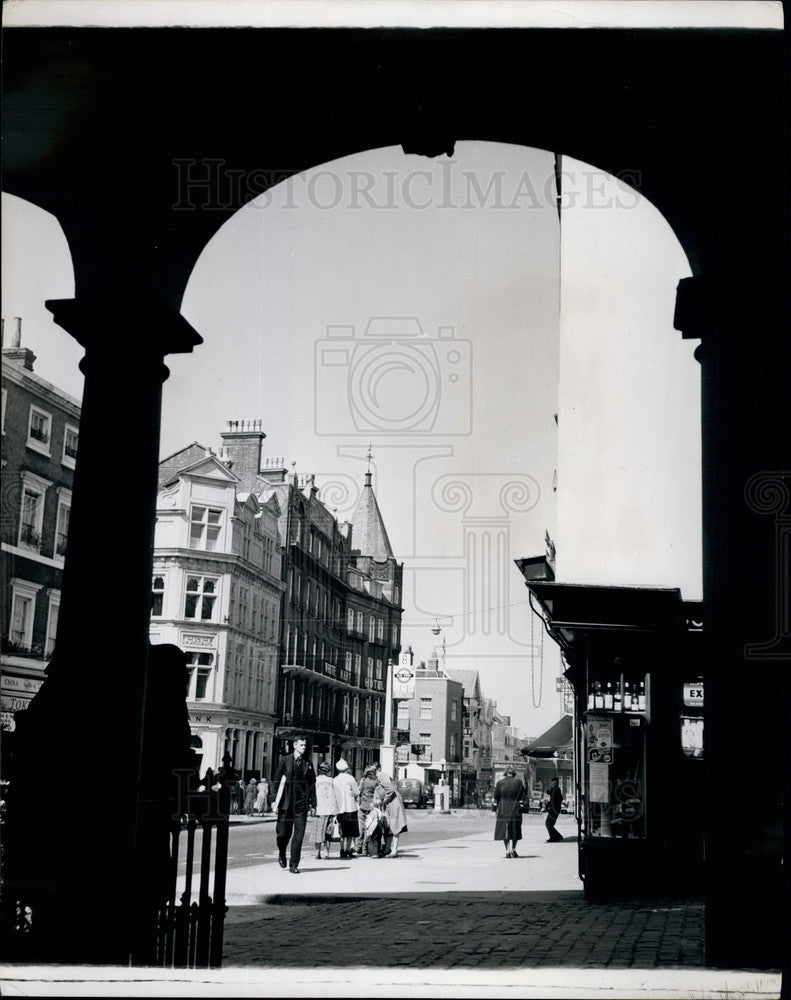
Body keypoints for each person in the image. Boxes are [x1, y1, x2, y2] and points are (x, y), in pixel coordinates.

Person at [272, 735, 317, 873]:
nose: (304, 747)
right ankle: (282, 851)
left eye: (305, 745)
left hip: (301, 803)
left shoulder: (308, 763)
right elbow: (276, 780)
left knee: (299, 835)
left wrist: (314, 804)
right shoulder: (285, 760)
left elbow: (312, 784)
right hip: (286, 802)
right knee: (282, 834)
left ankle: (294, 864)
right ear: (295, 745)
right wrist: (274, 800)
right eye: (301, 745)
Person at [373, 763, 408, 858]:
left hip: (393, 803)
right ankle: (388, 849)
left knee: (395, 826)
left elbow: (391, 790)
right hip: (391, 803)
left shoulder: (380, 775)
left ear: (377, 769)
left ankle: (394, 850)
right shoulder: (381, 776)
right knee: (389, 827)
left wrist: (384, 801)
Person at [493, 767, 526, 858]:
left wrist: (495, 809)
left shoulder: (500, 783)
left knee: (504, 829)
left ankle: (507, 850)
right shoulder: (518, 782)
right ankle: (514, 849)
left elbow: (496, 796)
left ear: (505, 774)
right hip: (515, 806)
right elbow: (523, 795)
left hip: (503, 806)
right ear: (514, 774)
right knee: (515, 828)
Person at [308, 761, 337, 859]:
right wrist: (334, 810)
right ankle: (326, 852)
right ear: (328, 771)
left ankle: (317, 852)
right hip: (328, 809)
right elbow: (332, 796)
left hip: (318, 809)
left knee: (318, 831)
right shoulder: (330, 780)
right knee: (328, 831)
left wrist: (312, 807)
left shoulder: (315, 780)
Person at [332, 758, 360, 858]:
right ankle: (348, 849)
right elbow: (356, 792)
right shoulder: (350, 778)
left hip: (339, 808)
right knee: (350, 831)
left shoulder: (334, 780)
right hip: (350, 807)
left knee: (341, 830)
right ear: (346, 769)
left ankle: (341, 849)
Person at [355, 763, 379, 856]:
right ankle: (365, 849)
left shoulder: (363, 780)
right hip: (372, 806)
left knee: (361, 827)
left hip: (363, 806)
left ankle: (358, 847)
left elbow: (358, 792)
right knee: (368, 828)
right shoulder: (377, 781)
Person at [545, 776, 564, 843]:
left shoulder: (557, 789)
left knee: (548, 823)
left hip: (554, 810)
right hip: (554, 809)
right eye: (553, 782)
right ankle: (557, 836)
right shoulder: (554, 789)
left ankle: (556, 837)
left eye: (554, 782)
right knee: (549, 824)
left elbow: (559, 799)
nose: (553, 783)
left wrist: (551, 806)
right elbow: (547, 791)